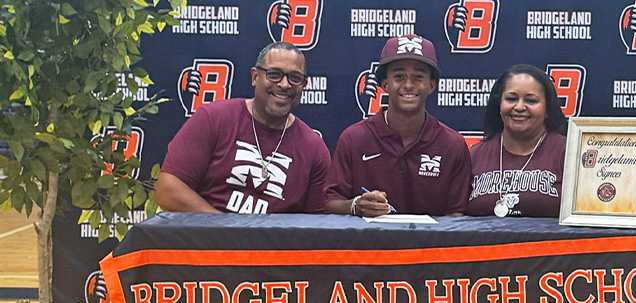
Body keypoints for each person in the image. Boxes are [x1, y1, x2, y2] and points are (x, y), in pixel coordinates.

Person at [155, 42, 330, 214]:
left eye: (295, 78)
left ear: (304, 85)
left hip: (273, 242)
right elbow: (167, 190)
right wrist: (225, 233)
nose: (285, 84)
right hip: (207, 239)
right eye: (274, 74)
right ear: (255, 77)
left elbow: (314, 226)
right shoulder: (213, 118)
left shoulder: (314, 150)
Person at [324, 34, 471, 217]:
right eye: (399, 76)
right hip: (369, 244)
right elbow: (330, 203)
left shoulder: (452, 144)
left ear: (431, 84)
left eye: (418, 77)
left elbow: (457, 214)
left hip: (430, 246)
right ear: (384, 83)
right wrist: (356, 205)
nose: (408, 85)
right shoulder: (354, 138)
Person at [466, 64, 568, 218]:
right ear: (499, 104)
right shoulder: (474, 155)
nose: (519, 107)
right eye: (511, 98)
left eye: (531, 100)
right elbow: (454, 217)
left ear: (547, 109)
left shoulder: (568, 153)